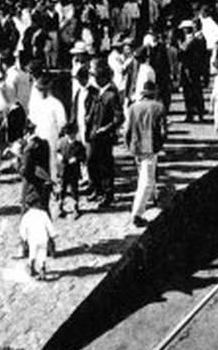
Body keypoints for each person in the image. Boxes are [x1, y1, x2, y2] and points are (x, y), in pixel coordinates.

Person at [125, 79, 167, 227]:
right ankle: (137, 214)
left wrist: (129, 146)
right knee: (146, 181)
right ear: (154, 92)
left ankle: (154, 197)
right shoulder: (159, 107)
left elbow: (127, 131)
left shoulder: (132, 108)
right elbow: (163, 131)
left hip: (136, 146)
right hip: (150, 146)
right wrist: (159, 145)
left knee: (143, 175)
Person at [87, 62, 124, 208]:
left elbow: (119, 118)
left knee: (105, 166)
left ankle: (108, 194)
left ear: (103, 78)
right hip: (94, 134)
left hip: (104, 137)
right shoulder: (99, 92)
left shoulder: (111, 94)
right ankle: (98, 189)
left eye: (96, 76)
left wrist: (106, 128)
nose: (94, 79)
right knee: (91, 162)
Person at [19, 199, 56, 281]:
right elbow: (49, 225)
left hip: (32, 238)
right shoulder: (43, 214)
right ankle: (42, 269)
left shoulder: (27, 216)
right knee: (42, 253)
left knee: (32, 252)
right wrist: (52, 234)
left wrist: (24, 238)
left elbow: (22, 228)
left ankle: (31, 267)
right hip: (43, 237)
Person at [57, 122, 86, 218]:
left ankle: (75, 207)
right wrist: (59, 156)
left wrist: (76, 159)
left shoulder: (78, 145)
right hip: (63, 170)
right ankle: (60, 207)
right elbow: (57, 151)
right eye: (69, 134)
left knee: (74, 189)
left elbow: (83, 156)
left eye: (72, 134)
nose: (71, 136)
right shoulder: (61, 142)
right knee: (62, 189)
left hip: (74, 170)